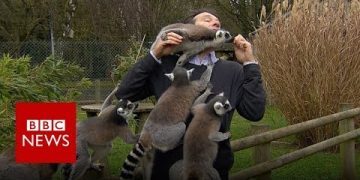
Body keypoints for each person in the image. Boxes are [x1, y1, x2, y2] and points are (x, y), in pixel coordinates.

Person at [115, 8, 266, 180]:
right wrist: (154, 55)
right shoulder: (166, 65)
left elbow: (255, 112)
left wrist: (250, 63)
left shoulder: (232, 70)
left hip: (212, 168)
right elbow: (125, 94)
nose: (215, 23)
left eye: (218, 22)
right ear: (189, 30)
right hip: (164, 168)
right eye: (207, 20)